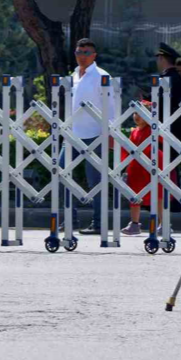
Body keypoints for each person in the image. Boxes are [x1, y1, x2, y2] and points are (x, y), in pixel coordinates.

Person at [62, 38, 118, 234]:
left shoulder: (102, 76)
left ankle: (99, 222)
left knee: (96, 181)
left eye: (86, 53)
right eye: (79, 52)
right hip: (72, 134)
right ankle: (70, 218)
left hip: (95, 134)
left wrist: (109, 132)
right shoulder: (73, 75)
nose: (82, 56)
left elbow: (110, 108)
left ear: (94, 55)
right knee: (62, 173)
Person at [119, 101, 169, 235]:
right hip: (136, 167)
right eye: (135, 113)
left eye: (141, 113)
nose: (137, 116)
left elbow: (164, 139)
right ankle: (135, 223)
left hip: (153, 164)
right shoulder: (134, 132)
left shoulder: (153, 129)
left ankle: (163, 223)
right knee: (134, 195)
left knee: (158, 195)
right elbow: (128, 149)